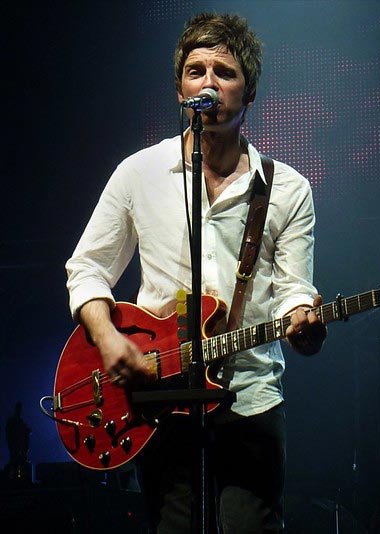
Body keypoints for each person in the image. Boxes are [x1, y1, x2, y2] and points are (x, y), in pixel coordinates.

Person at [65, 12, 326, 533]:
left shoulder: (287, 188)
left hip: (250, 398)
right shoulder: (138, 173)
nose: (208, 82)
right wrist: (108, 339)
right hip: (160, 398)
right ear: (179, 89)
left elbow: (295, 292)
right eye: (195, 70)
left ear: (248, 93)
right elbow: (88, 268)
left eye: (224, 72)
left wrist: (305, 322)